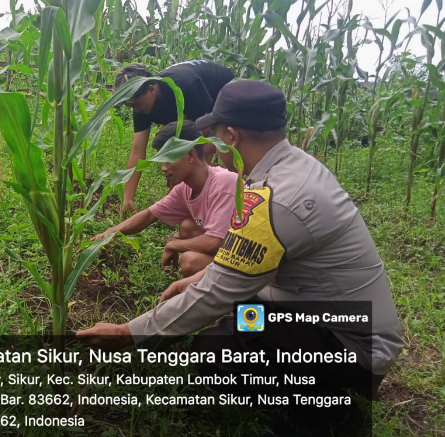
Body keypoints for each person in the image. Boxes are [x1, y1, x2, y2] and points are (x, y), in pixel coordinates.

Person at [78, 80, 404, 431]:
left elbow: (218, 292)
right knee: (237, 319)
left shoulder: (277, 197)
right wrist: (195, 279)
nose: (213, 144)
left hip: (353, 345)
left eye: (215, 135)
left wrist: (127, 333)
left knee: (214, 351)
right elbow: (238, 266)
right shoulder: (294, 167)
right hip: (327, 316)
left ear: (231, 137)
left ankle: (328, 412)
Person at [91, 120, 237, 276]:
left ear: (190, 155)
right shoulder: (185, 188)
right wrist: (111, 232)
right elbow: (149, 215)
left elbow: (216, 242)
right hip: (228, 247)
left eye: (169, 158)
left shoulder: (223, 184)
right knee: (188, 227)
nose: (163, 168)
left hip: (246, 257)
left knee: (190, 261)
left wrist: (174, 245)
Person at [114, 60, 234, 217]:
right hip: (192, 108)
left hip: (222, 93)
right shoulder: (141, 106)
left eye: (137, 105)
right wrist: (128, 198)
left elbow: (203, 137)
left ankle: (231, 193)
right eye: (132, 107)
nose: (136, 110)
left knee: (213, 147)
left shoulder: (185, 85)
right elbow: (137, 151)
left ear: (151, 89)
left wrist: (179, 178)